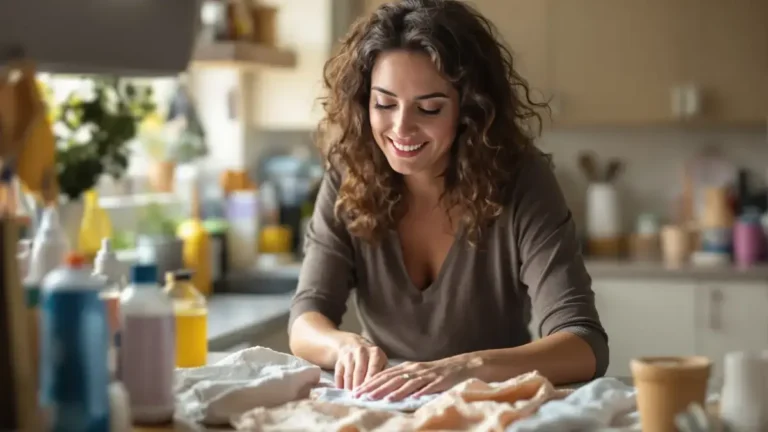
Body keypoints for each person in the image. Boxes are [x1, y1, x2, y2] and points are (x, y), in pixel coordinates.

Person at [288, 0, 608, 402]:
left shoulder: (522, 181)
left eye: (429, 108)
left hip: (491, 407)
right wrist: (344, 347)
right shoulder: (347, 175)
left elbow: (584, 344)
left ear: (469, 110)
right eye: (384, 103)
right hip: (384, 408)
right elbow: (306, 319)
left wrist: (466, 367)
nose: (401, 127)